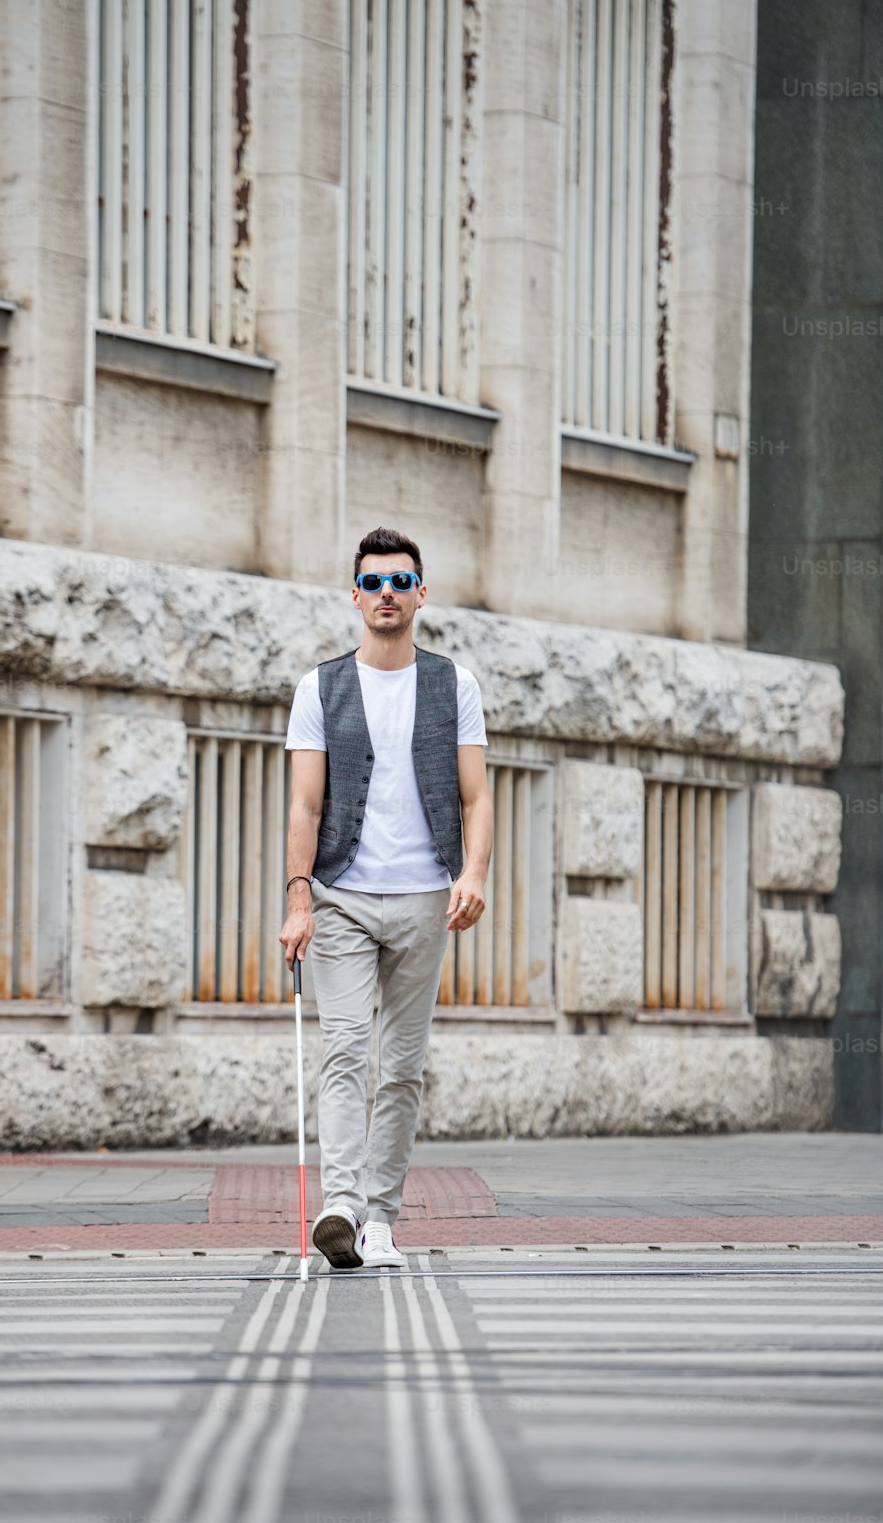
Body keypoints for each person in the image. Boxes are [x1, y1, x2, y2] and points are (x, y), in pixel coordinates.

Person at [278, 525, 493, 1270]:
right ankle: (339, 1204)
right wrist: (298, 900)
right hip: (341, 896)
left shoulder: (453, 684)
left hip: (426, 898)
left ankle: (380, 1221)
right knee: (344, 1051)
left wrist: (473, 875)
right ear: (356, 595)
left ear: (421, 594)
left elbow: (476, 796)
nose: (387, 595)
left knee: (402, 1064)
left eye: (401, 582)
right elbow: (305, 807)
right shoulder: (320, 686)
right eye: (374, 583)